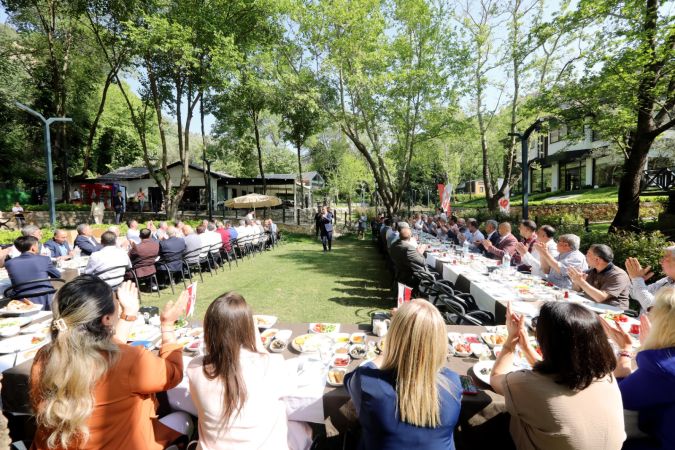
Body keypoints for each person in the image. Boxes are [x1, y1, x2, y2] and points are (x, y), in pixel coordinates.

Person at [29, 277, 192, 450]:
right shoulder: (130, 360)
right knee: (183, 419)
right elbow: (173, 374)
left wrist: (128, 315)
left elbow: (107, 353)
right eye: (117, 303)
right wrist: (167, 325)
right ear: (106, 319)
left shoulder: (44, 357)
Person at [490, 302, 625, 450]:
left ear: (547, 341)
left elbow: (496, 377)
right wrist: (527, 348)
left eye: (536, 323)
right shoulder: (606, 377)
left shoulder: (524, 384)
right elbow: (562, 372)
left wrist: (511, 341)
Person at [187, 292, 309, 450]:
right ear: (249, 329)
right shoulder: (271, 364)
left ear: (209, 331)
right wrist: (257, 344)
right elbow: (290, 388)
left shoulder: (195, 368)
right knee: (301, 425)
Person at [345, 300, 462, 450]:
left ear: (393, 338)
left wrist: (389, 352)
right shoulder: (453, 382)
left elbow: (350, 379)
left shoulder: (366, 382)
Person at [601, 287, 675, 449]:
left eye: (652, 309)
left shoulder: (660, 366)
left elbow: (616, 397)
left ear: (664, 322)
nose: (648, 313)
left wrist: (625, 350)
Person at [5, 236, 61, 310]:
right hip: (46, 297)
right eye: (38, 245)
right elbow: (57, 275)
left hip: (21, 299)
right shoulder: (44, 259)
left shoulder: (9, 263)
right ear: (33, 248)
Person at [568, 244, 631, 309]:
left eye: (588, 254)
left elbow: (600, 298)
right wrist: (576, 281)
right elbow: (576, 290)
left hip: (612, 314)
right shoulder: (591, 271)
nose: (585, 256)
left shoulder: (618, 275)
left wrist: (581, 282)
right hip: (591, 308)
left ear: (597, 259)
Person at [626, 245, 675, 312]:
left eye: (665, 258)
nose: (661, 261)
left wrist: (637, 279)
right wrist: (638, 281)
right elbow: (634, 295)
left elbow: (653, 308)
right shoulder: (666, 280)